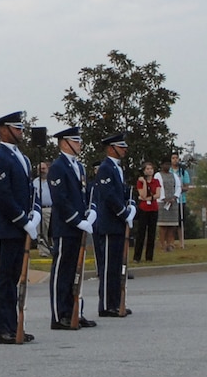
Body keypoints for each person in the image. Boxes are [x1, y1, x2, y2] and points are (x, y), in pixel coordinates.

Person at [0, 112, 41, 343]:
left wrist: (32, 214)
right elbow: (2, 195)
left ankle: (12, 325)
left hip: (18, 227)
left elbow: (28, 191)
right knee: (1, 279)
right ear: (4, 130)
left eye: (21, 128)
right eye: (17, 128)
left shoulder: (22, 158)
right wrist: (22, 219)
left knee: (14, 278)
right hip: (5, 227)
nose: (21, 132)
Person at [44, 128, 96, 330]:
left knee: (77, 271)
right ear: (64, 143)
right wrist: (76, 220)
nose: (80, 144)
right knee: (62, 271)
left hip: (79, 225)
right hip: (65, 227)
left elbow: (83, 195)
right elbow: (60, 199)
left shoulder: (79, 167)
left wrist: (90, 213)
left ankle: (76, 310)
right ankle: (60, 315)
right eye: (76, 141)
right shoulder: (58, 167)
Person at [91, 134, 134, 319]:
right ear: (111, 148)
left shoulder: (117, 168)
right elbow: (109, 196)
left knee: (117, 265)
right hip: (109, 223)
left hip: (117, 224)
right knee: (108, 266)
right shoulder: (105, 168)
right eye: (120, 146)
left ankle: (116, 302)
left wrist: (130, 205)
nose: (124, 149)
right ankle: (107, 305)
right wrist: (123, 213)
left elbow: (122, 193)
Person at [131, 162, 160, 263]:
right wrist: (144, 183)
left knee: (152, 233)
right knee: (141, 233)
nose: (150, 170)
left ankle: (149, 257)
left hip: (154, 209)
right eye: (147, 169)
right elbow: (142, 195)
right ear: (144, 171)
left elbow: (158, 194)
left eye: (151, 169)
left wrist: (150, 198)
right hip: (143, 209)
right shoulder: (140, 182)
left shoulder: (156, 181)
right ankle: (137, 257)